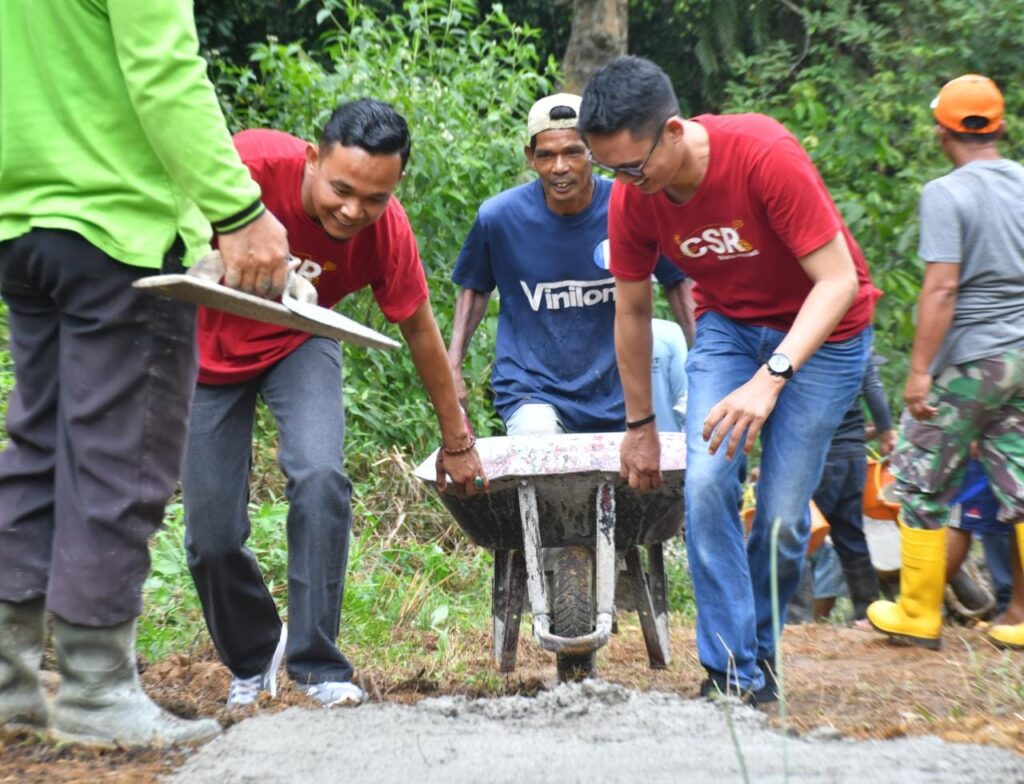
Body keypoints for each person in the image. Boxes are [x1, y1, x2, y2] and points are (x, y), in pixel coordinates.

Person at [0, 0, 292, 747]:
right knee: (118, 456)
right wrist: (239, 209)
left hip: (22, 222)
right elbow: (164, 74)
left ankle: (9, 684)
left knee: (40, 448)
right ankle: (96, 689)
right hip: (117, 229)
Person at [578, 56, 878, 703]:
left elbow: (838, 281)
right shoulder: (634, 198)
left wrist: (771, 378)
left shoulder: (763, 154)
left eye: (633, 166)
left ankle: (758, 654)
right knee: (708, 481)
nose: (626, 182)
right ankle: (732, 671)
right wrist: (640, 426)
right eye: (612, 171)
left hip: (828, 336)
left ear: (675, 131)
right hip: (730, 330)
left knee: (780, 519)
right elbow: (630, 313)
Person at [182, 99, 486, 710]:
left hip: (303, 336)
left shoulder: (387, 228)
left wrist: (458, 440)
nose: (353, 211)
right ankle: (253, 655)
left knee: (321, 477)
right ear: (313, 158)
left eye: (374, 198)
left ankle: (319, 665)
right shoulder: (247, 165)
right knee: (210, 536)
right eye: (342, 190)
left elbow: (421, 331)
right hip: (203, 349)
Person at [866, 74, 1024, 651]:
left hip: (970, 359)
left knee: (920, 480)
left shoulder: (946, 192)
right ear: (999, 125)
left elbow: (940, 288)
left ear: (942, 130)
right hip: (1022, 356)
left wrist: (919, 371)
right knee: (1021, 482)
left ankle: (917, 613)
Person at [447, 93, 692, 437]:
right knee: (541, 459)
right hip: (532, 388)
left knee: (638, 477)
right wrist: (453, 368)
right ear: (530, 158)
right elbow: (474, 290)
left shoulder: (632, 207)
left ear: (593, 150)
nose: (559, 167)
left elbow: (678, 284)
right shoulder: (499, 219)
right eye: (546, 155)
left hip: (618, 386)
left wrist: (705, 365)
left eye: (573, 152)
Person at [799, 351, 896, 625]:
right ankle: (867, 611)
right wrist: (887, 431)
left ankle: (796, 617)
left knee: (802, 534)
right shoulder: (855, 343)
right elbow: (873, 388)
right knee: (851, 534)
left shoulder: (807, 345)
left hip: (819, 455)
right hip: (853, 457)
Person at [651, 318, 688, 433]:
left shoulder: (667, 333)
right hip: (667, 443)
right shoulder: (668, 332)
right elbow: (685, 401)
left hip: (601, 440)